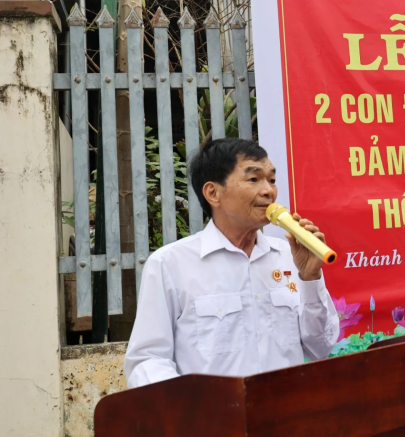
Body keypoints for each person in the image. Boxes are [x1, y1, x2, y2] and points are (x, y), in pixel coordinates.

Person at [124, 139, 339, 388]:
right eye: (253, 179)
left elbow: (320, 348)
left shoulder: (290, 256)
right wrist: (188, 409)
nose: (269, 191)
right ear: (213, 193)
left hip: (287, 418)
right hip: (213, 421)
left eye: (271, 179)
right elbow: (147, 360)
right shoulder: (169, 264)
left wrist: (310, 277)